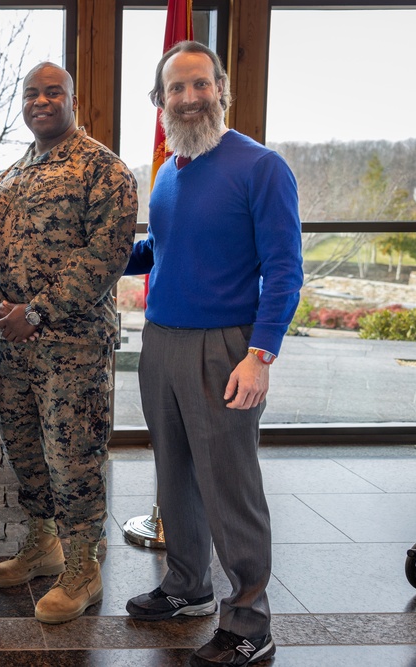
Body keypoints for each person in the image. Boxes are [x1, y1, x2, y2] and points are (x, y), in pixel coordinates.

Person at [123, 41, 303, 667]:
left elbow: (285, 269)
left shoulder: (261, 167)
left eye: (201, 85)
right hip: (161, 342)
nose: (190, 98)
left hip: (225, 348)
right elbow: (161, 252)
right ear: (161, 101)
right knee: (174, 476)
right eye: (177, 88)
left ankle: (250, 620)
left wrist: (260, 355)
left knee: (230, 485)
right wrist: (101, 252)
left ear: (222, 89)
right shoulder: (170, 171)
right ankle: (187, 586)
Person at [0, 62, 138, 624]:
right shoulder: (11, 176)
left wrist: (39, 311)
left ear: (74, 99)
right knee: (26, 451)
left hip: (73, 348)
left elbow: (106, 256)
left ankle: (82, 568)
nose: (41, 101)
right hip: (17, 348)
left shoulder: (105, 170)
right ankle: (42, 543)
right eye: (32, 94)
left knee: (74, 459)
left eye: (53, 92)